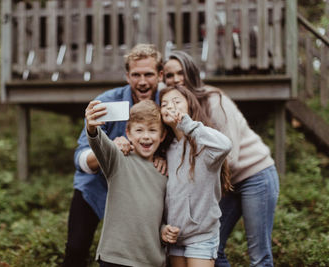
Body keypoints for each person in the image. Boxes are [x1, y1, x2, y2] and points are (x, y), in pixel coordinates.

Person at [163, 50, 280, 267]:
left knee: (259, 256)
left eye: (181, 72)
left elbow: (231, 155)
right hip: (225, 183)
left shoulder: (214, 100)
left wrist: (197, 191)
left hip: (254, 174)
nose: (176, 79)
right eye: (170, 75)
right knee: (213, 249)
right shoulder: (175, 106)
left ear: (192, 73)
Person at [62, 44, 164, 267]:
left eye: (148, 74)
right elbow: (80, 158)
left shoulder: (167, 103)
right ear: (127, 76)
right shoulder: (109, 101)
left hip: (137, 191)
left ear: (160, 75)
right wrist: (108, 149)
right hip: (95, 187)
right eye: (136, 75)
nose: (143, 81)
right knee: (76, 248)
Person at [85, 99, 172, 266]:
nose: (146, 136)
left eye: (152, 130)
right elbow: (100, 144)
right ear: (128, 133)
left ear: (162, 136)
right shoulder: (118, 159)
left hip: (151, 261)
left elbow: (157, 216)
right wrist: (92, 127)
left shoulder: (164, 171)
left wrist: (164, 230)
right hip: (115, 258)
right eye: (139, 130)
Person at [159, 85, 232, 267]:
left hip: (202, 236)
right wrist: (163, 227)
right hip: (175, 237)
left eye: (176, 102)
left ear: (190, 106)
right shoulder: (164, 148)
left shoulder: (203, 144)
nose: (169, 106)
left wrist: (187, 125)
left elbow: (225, 145)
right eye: (164, 104)